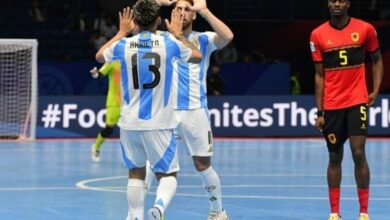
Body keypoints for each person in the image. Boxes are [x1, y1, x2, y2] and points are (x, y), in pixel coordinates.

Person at [95, 1, 202, 220]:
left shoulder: (123, 45)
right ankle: (159, 208)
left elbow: (99, 56)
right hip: (160, 123)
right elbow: (197, 56)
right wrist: (178, 34)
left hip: (129, 123)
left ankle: (135, 216)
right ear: (158, 21)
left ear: (134, 22)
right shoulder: (169, 43)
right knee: (168, 174)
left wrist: (122, 32)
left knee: (135, 173)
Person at [310, 1, 384, 220]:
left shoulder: (365, 29)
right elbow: (319, 76)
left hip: (357, 101)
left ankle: (363, 212)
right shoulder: (317, 35)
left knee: (359, 153)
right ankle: (334, 213)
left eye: (341, 0)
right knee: (334, 157)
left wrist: (375, 90)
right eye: (333, 0)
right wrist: (320, 111)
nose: (337, 4)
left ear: (348, 3)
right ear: (327, 4)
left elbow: (377, 60)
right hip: (332, 105)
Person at [165, 0, 234, 219]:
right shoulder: (162, 39)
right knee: (155, 163)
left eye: (187, 9)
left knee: (203, 164)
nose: (183, 13)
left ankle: (217, 212)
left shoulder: (203, 39)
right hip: (166, 112)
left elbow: (228, 36)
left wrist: (204, 11)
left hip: (196, 111)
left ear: (193, 15)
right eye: (179, 9)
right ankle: (152, 211)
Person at [90, 62, 121, 163]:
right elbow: (99, 74)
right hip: (114, 102)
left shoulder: (134, 60)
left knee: (134, 129)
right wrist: (95, 74)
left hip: (130, 102)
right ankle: (96, 147)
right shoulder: (112, 61)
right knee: (109, 129)